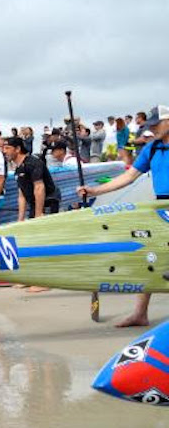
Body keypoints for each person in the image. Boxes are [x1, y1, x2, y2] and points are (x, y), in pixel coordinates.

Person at [79, 105, 169, 327]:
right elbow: (128, 177)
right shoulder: (152, 148)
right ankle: (140, 313)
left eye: (156, 125)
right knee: (149, 257)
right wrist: (95, 190)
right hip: (160, 207)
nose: (152, 129)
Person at [3, 137, 60, 221]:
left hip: (47, 202)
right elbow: (22, 194)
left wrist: (38, 214)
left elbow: (39, 187)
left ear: (18, 149)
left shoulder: (33, 163)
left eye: (7, 148)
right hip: (34, 204)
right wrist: (20, 219)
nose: (4, 151)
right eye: (3, 148)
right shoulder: (19, 169)